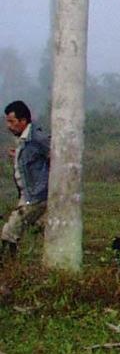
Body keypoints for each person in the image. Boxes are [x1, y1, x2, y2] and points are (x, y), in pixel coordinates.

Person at [2, 100, 50, 260]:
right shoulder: (24, 139)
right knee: (45, 228)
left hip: (36, 195)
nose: (9, 125)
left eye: (12, 121)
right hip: (27, 194)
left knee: (11, 229)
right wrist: (18, 155)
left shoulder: (37, 138)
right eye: (7, 121)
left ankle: (8, 265)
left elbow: (54, 153)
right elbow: (32, 159)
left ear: (23, 121)